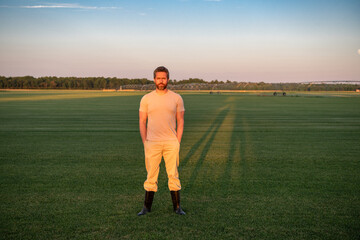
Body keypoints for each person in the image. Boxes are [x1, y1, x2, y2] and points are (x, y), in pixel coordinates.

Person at [137, 66, 186, 216]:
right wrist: (145, 142)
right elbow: (142, 121)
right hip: (152, 143)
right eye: (158, 78)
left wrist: (177, 142)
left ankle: (177, 207)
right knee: (151, 175)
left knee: (173, 174)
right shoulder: (146, 98)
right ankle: (146, 207)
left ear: (168, 79)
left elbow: (181, 121)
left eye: (163, 78)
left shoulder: (176, 98)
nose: (161, 81)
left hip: (171, 143)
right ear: (154, 80)